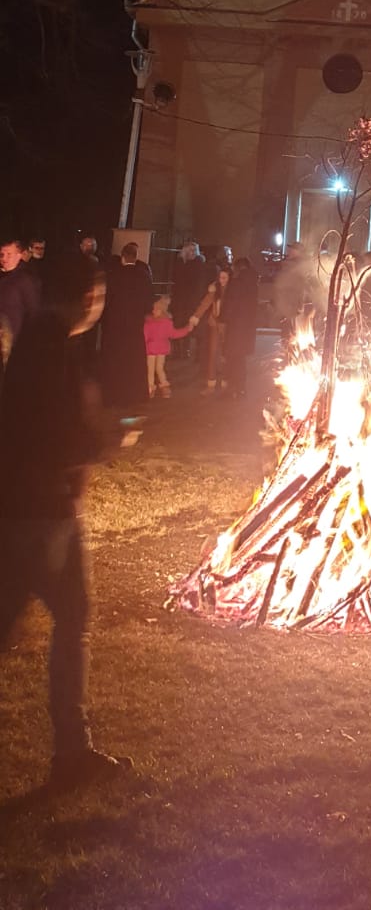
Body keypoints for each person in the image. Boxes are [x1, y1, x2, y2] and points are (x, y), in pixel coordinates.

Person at [0, 256, 136, 787]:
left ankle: (73, 752)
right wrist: (102, 442)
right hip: (41, 513)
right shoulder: (50, 348)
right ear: (86, 298)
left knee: (61, 616)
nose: (98, 305)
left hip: (27, 508)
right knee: (72, 616)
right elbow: (51, 433)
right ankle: (72, 754)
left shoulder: (41, 340)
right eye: (98, 296)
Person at [99, 243, 153, 410]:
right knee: (134, 359)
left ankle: (113, 396)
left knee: (114, 360)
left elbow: (106, 300)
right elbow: (148, 300)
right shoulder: (143, 275)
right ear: (135, 257)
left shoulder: (113, 275)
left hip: (114, 325)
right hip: (134, 325)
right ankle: (135, 395)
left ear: (122, 257)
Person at [0, 235, 42, 368]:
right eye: (2, 254)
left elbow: (34, 312)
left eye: (9, 254)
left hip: (13, 345)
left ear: (19, 255)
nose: (4, 258)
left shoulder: (25, 280)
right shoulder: (3, 277)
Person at [143, 294, 195, 397]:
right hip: (151, 349)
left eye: (156, 309)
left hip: (157, 349)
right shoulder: (149, 322)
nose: (153, 311)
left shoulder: (165, 323)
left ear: (162, 311)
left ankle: (162, 387)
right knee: (151, 369)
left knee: (158, 368)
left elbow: (173, 334)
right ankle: (152, 387)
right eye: (154, 309)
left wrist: (186, 330)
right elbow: (145, 335)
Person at [191, 266, 232, 391]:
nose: (222, 280)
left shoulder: (233, 291)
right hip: (215, 324)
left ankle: (225, 379)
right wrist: (196, 316)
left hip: (227, 326)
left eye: (224, 277)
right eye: (220, 277)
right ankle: (211, 381)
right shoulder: (215, 290)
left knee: (226, 353)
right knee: (213, 353)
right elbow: (205, 303)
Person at [222, 256, 258, 397]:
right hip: (247, 326)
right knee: (240, 358)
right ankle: (241, 388)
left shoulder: (236, 283)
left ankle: (232, 388)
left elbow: (230, 303)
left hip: (235, 325)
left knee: (232, 357)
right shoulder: (253, 283)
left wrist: (223, 318)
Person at [170, 241, 209, 331]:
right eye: (191, 250)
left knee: (188, 322)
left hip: (192, 299)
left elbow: (199, 283)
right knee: (180, 322)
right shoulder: (181, 263)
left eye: (195, 250)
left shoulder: (198, 264)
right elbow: (177, 279)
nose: (193, 252)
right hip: (181, 298)